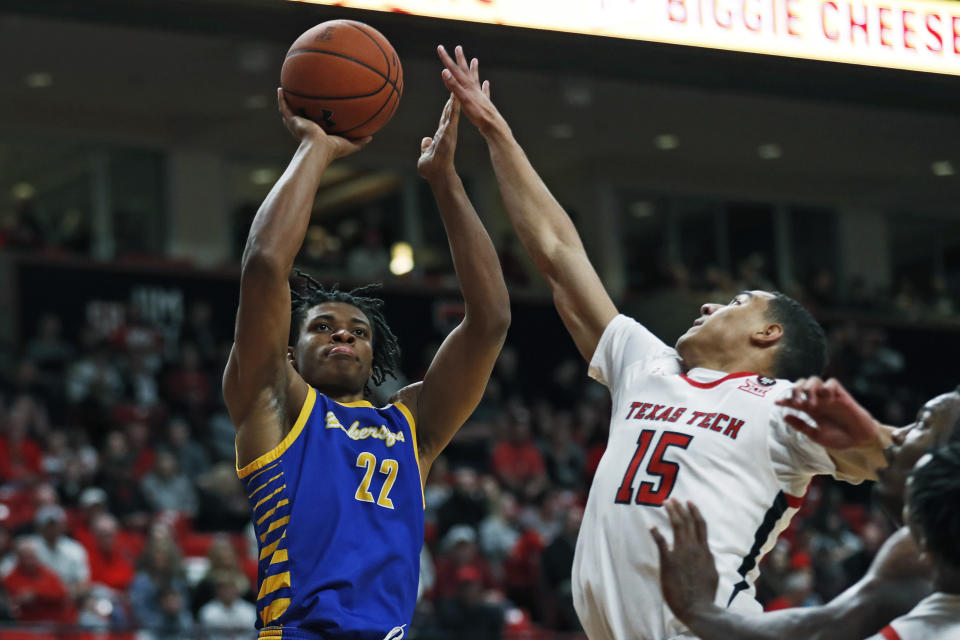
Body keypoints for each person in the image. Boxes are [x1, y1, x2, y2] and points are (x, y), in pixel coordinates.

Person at [437, 45, 891, 639]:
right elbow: (558, 253)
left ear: (768, 333)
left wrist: (877, 442)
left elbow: (885, 462)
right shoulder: (649, 363)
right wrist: (496, 131)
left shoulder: (787, 405)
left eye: (734, 303)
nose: (708, 305)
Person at [222, 88, 509, 640]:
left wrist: (445, 181)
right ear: (289, 352)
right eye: (323, 327)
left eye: (358, 332)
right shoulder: (273, 403)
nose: (343, 337)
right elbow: (263, 264)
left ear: (375, 356)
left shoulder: (410, 427)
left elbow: (490, 318)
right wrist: (314, 149)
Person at [653, 384, 960, 639]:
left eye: (923, 423)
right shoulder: (917, 554)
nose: (897, 435)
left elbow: (818, 632)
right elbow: (824, 627)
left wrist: (699, 609)